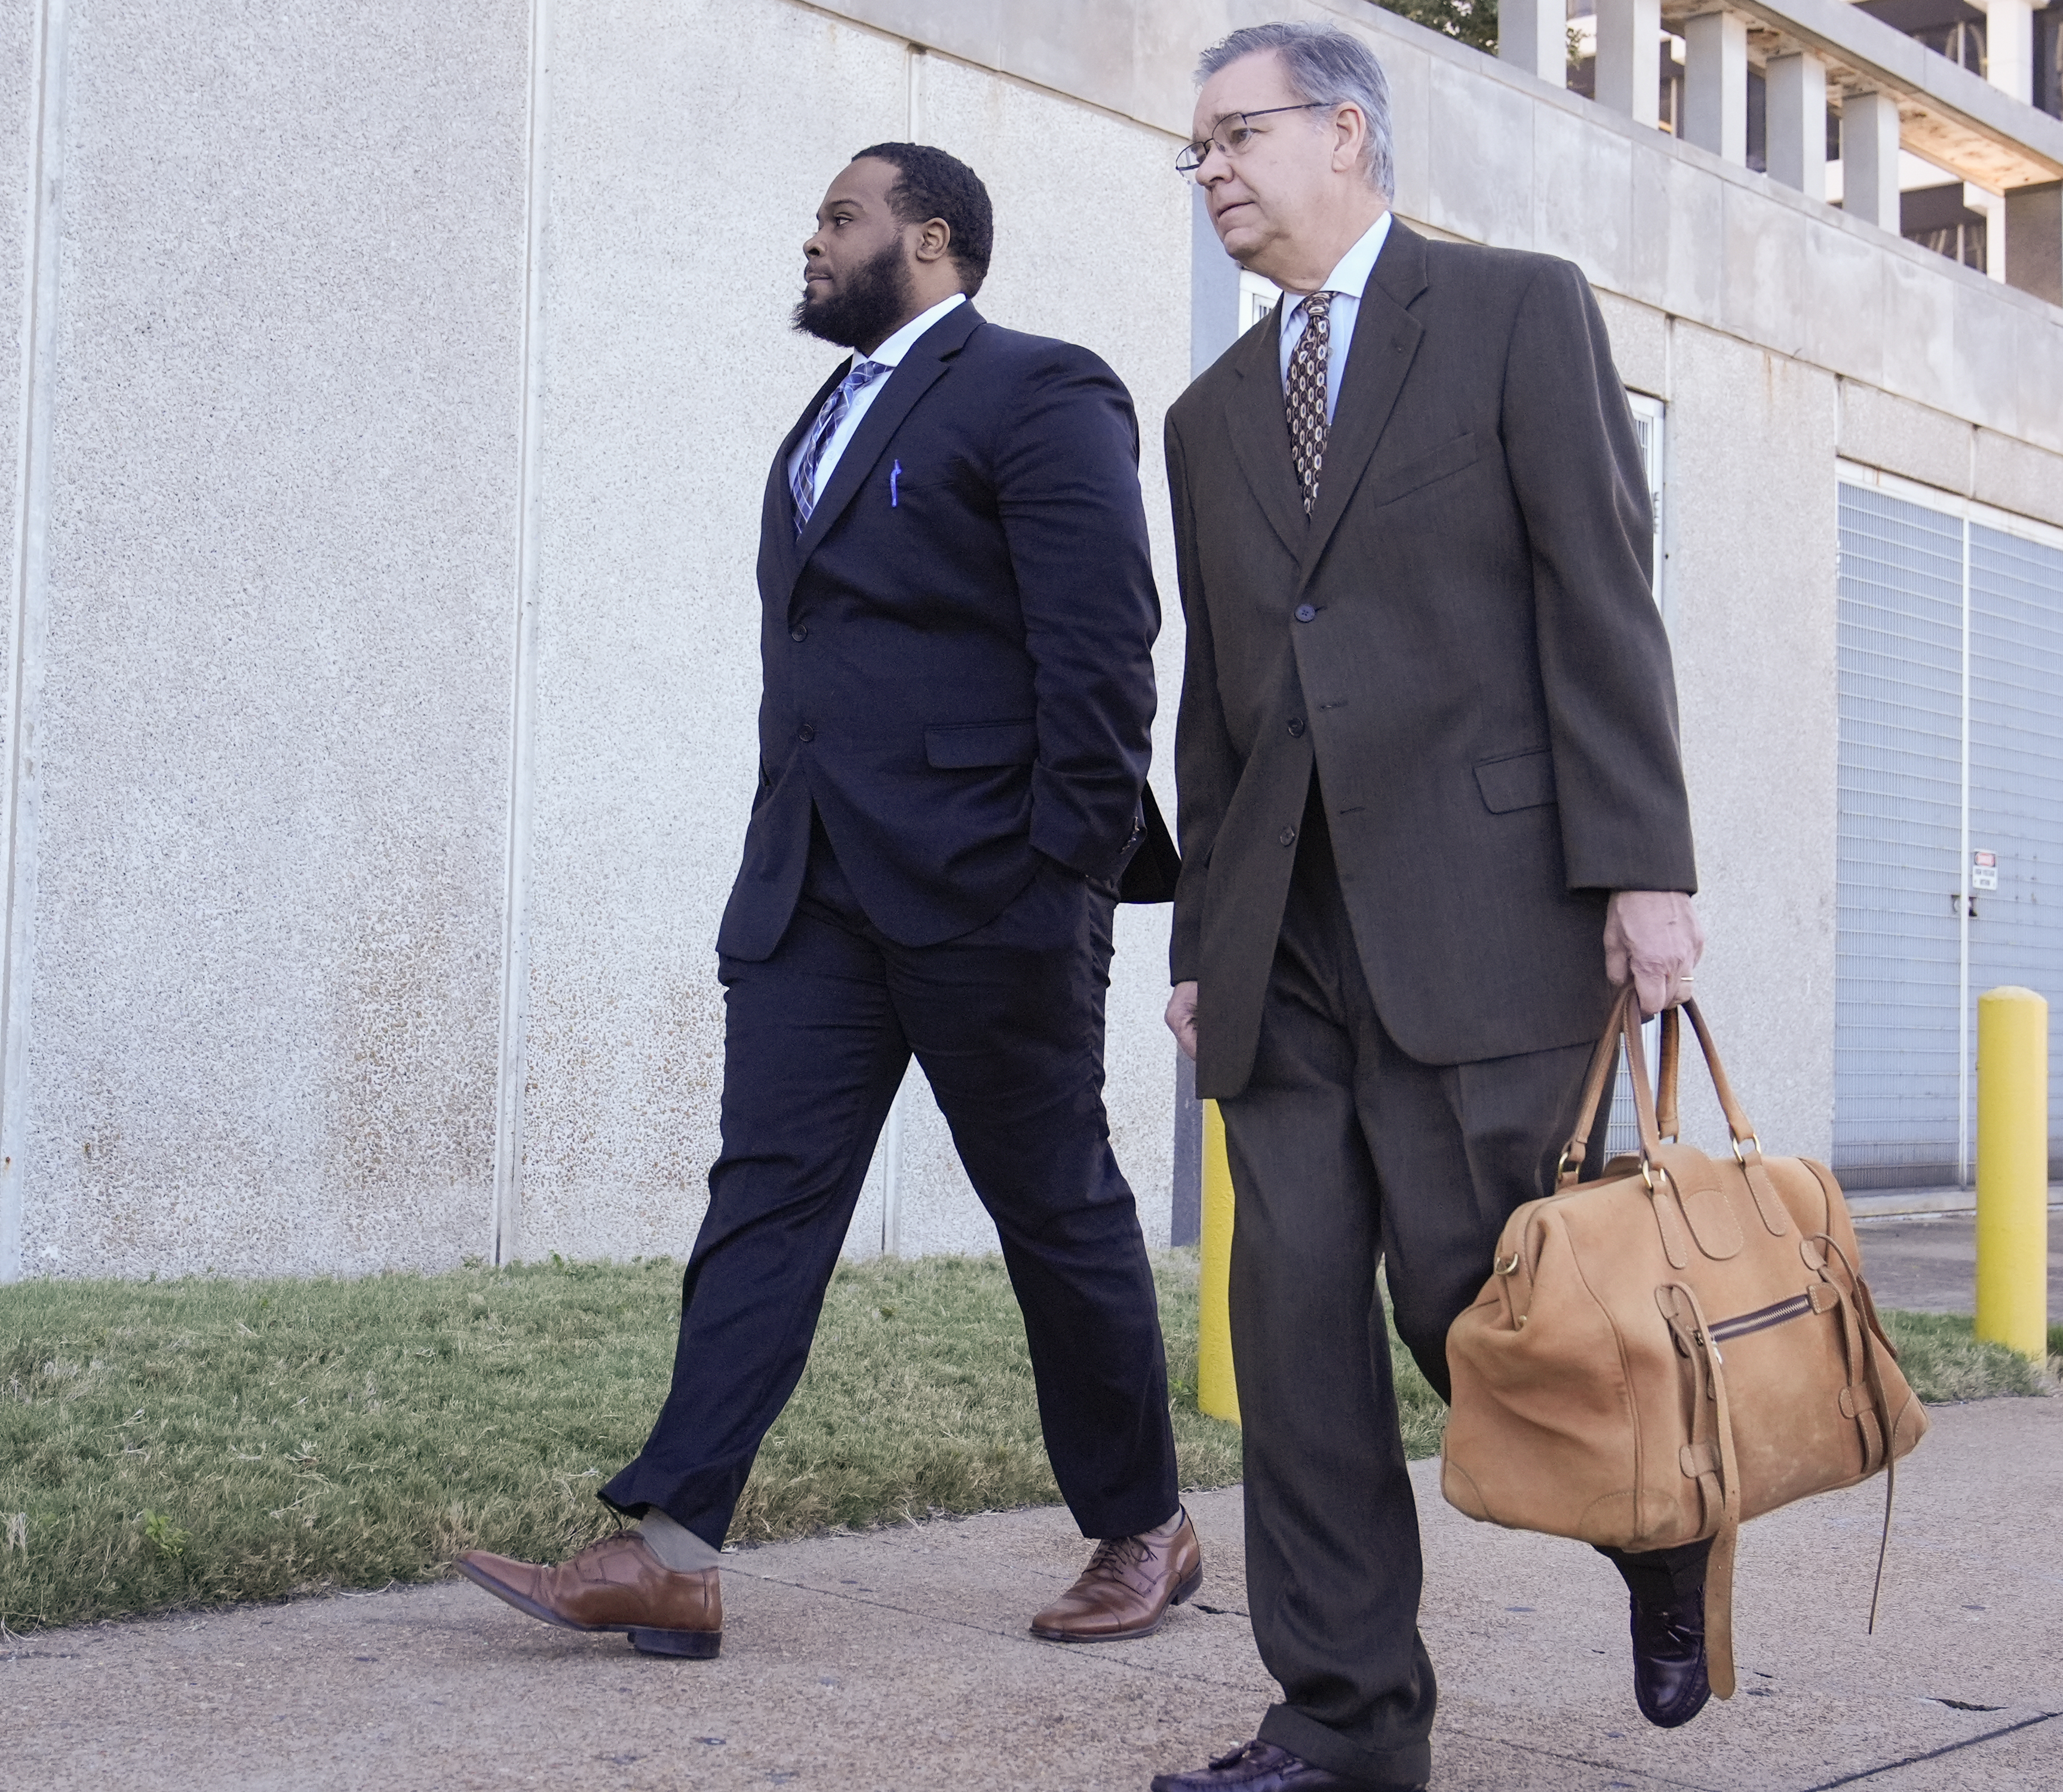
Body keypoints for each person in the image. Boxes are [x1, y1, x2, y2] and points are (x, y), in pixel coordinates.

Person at [456, 142, 1198, 1663]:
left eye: (841, 216)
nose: (813, 239)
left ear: (930, 239)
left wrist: (1059, 871)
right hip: (813, 893)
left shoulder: (1043, 389)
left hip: (991, 889)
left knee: (1053, 1213)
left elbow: (1107, 647)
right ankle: (670, 1548)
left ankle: (1146, 1529)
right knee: (766, 1202)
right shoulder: (830, 411)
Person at [1152, 24, 1709, 1792]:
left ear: (1346, 132)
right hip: (1286, 952)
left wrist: (1646, 871)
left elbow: (1598, 597)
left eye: (1238, 134)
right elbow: (1219, 701)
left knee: (1484, 1315)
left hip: (1488, 919)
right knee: (1295, 1342)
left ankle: (1659, 1530)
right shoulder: (1206, 417)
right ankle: (1343, 1726)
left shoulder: (1512, 315)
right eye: (1198, 152)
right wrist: (1194, 944)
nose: (1216, 170)